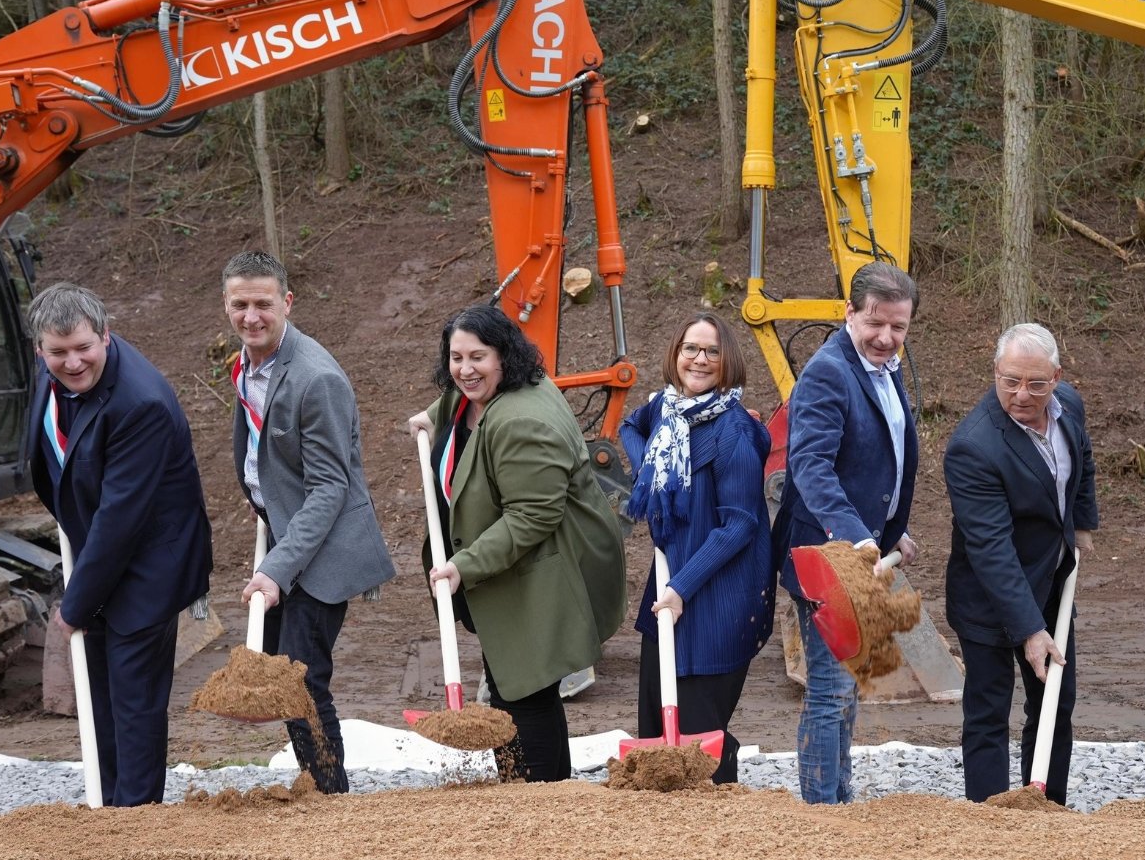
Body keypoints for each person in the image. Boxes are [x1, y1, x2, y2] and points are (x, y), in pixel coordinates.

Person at [407, 305, 624, 782]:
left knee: (527, 693)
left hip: (543, 571)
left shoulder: (521, 421)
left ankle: (540, 799)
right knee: (509, 683)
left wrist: (464, 565)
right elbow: (457, 400)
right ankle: (521, 793)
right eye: (455, 356)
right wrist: (428, 417)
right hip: (513, 572)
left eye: (478, 357)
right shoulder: (490, 391)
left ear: (504, 356)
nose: (464, 369)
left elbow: (532, 516)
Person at [25, 282, 211, 807]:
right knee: (99, 698)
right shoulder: (52, 373)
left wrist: (75, 604)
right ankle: (108, 806)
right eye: (57, 352)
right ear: (40, 350)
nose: (72, 362)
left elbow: (120, 519)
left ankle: (136, 823)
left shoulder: (139, 403)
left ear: (105, 335)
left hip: (149, 565)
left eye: (83, 347)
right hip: (98, 549)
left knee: (133, 705)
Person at [222, 251, 395, 794]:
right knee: (282, 675)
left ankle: (329, 798)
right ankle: (313, 785)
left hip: (325, 549)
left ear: (287, 303)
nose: (251, 317)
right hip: (286, 531)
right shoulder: (249, 364)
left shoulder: (316, 378)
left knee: (301, 679)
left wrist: (277, 568)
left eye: (263, 305)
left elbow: (329, 488)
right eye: (240, 305)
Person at [772, 262, 920, 805]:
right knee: (832, 691)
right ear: (849, 312)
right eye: (875, 323)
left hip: (863, 549)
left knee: (847, 689)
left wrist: (891, 532)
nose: (886, 337)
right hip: (825, 554)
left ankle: (839, 796)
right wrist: (858, 537)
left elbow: (880, 456)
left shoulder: (886, 366)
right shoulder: (828, 371)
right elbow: (811, 466)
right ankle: (821, 809)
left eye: (898, 327)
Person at [943, 323, 1097, 805]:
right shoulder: (973, 446)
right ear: (995, 373)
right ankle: (990, 817)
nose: (1022, 395)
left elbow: (1083, 459)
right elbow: (991, 548)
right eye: (1010, 381)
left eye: (1035, 383)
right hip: (989, 596)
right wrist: (1031, 631)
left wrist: (1082, 522)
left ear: (1056, 376)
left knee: (1055, 700)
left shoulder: (1068, 405)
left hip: (1051, 580)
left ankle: (1047, 806)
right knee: (989, 710)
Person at [620, 313, 774, 784]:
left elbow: (740, 524)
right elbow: (629, 425)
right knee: (655, 733)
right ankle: (662, 845)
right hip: (667, 596)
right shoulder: (664, 412)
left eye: (711, 350)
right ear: (676, 354)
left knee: (701, 740)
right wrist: (652, 471)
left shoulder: (734, 432)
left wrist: (683, 588)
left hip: (717, 602)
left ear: (728, 361)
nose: (700, 359)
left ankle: (717, 834)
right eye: (691, 348)